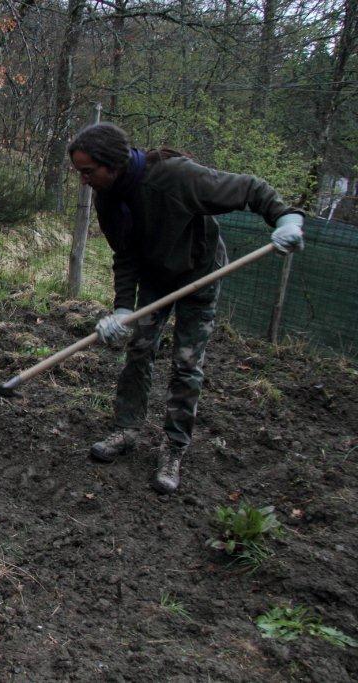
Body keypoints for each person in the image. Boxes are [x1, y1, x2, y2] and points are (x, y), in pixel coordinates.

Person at [69, 123, 304, 493]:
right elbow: (126, 255)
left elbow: (249, 188)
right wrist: (119, 310)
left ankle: (173, 449)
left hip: (201, 274)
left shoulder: (176, 177)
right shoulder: (108, 198)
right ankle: (127, 430)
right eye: (79, 172)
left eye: (87, 171)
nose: (83, 180)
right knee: (139, 348)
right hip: (154, 276)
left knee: (186, 362)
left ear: (111, 164)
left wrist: (286, 218)